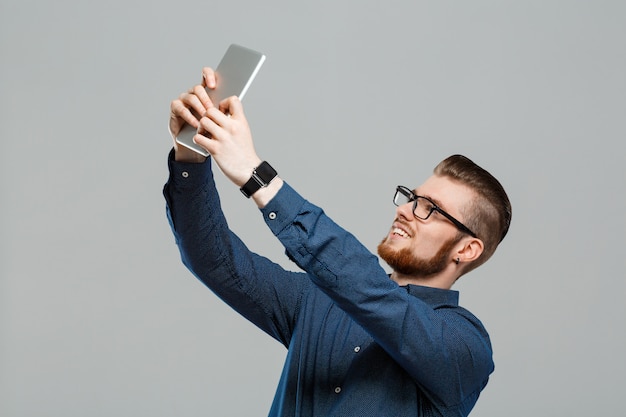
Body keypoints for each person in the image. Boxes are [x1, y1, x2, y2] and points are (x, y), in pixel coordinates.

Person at [163, 67, 512, 417]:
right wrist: (190, 156)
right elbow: (213, 259)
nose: (405, 210)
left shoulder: (465, 349)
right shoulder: (315, 301)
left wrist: (258, 177)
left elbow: (367, 289)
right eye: (411, 197)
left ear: (467, 249)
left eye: (430, 209)